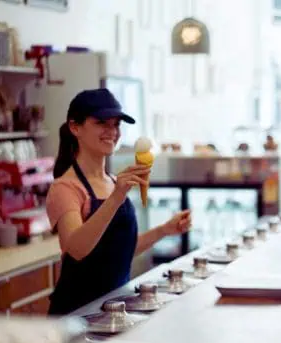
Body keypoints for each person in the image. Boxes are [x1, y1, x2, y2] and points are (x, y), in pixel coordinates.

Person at [45, 88, 191, 315]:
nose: (112, 131)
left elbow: (119, 251)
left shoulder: (114, 182)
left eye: (116, 125)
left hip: (115, 308)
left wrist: (164, 230)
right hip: (76, 314)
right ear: (75, 128)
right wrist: (116, 198)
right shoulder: (65, 188)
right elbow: (77, 248)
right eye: (102, 122)